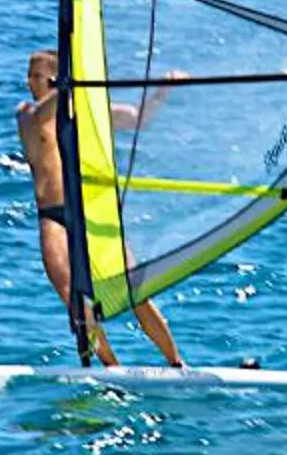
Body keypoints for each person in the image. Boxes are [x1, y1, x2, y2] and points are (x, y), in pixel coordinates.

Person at [15, 50, 183, 367]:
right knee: (72, 296)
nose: (30, 82)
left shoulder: (91, 113)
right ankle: (111, 367)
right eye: (29, 75)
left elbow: (137, 119)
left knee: (134, 293)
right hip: (54, 217)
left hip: (93, 212)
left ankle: (176, 363)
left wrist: (164, 89)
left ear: (53, 77)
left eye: (37, 76)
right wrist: (69, 88)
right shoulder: (27, 114)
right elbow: (40, 116)